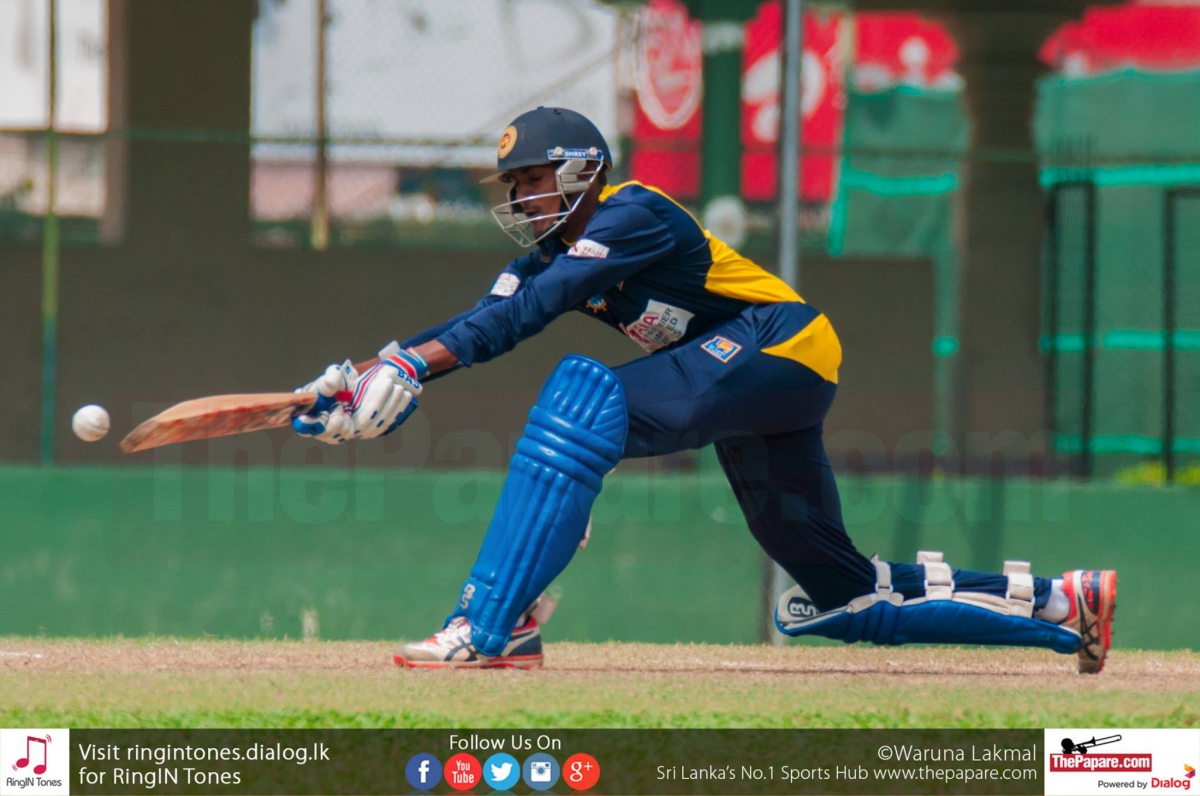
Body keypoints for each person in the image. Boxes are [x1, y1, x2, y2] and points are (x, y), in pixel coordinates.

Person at [293, 107, 1117, 674]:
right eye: (513, 186)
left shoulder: (630, 213)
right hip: (751, 378)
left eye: (532, 178)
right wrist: (371, 374)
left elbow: (530, 312)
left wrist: (407, 369)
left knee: (581, 402)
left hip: (778, 342)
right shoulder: (548, 259)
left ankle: (491, 625)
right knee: (843, 596)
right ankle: (1062, 605)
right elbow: (486, 320)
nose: (519, 198)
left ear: (582, 170)